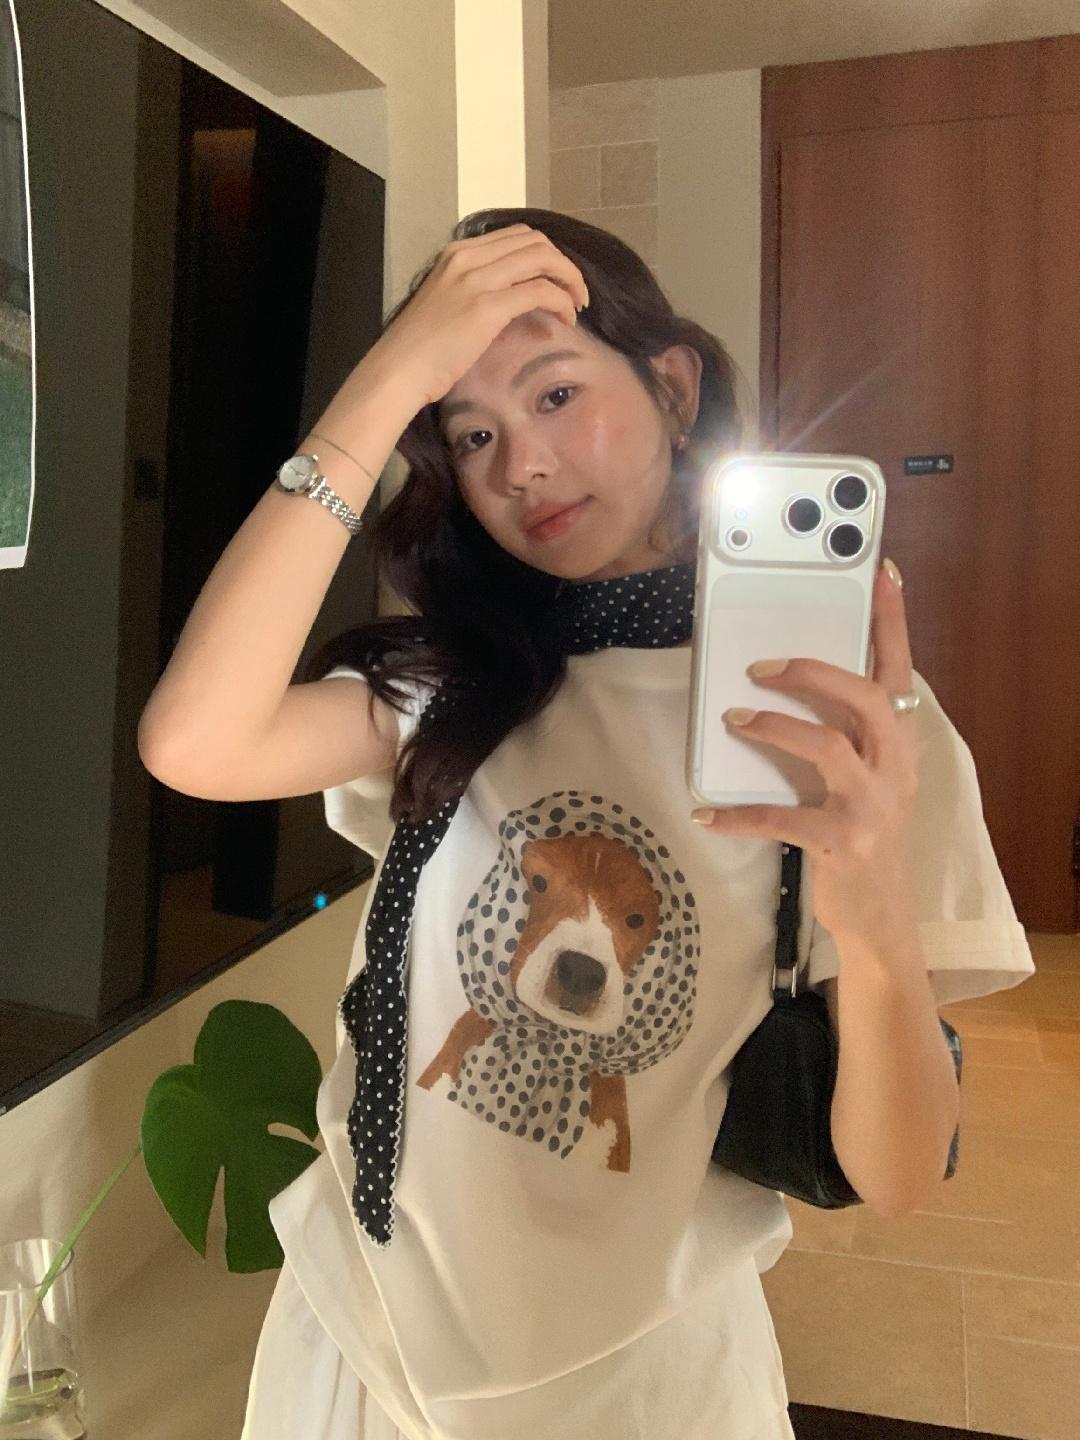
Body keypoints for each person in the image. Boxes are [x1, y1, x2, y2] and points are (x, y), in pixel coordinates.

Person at [138, 209, 1036, 1440]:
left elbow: (901, 1176)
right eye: (472, 434)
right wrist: (387, 378)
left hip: (644, 1372)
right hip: (362, 1335)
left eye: (556, 394)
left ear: (673, 386)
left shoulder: (846, 722)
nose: (522, 466)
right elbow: (192, 743)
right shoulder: (450, 687)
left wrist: (874, 908)